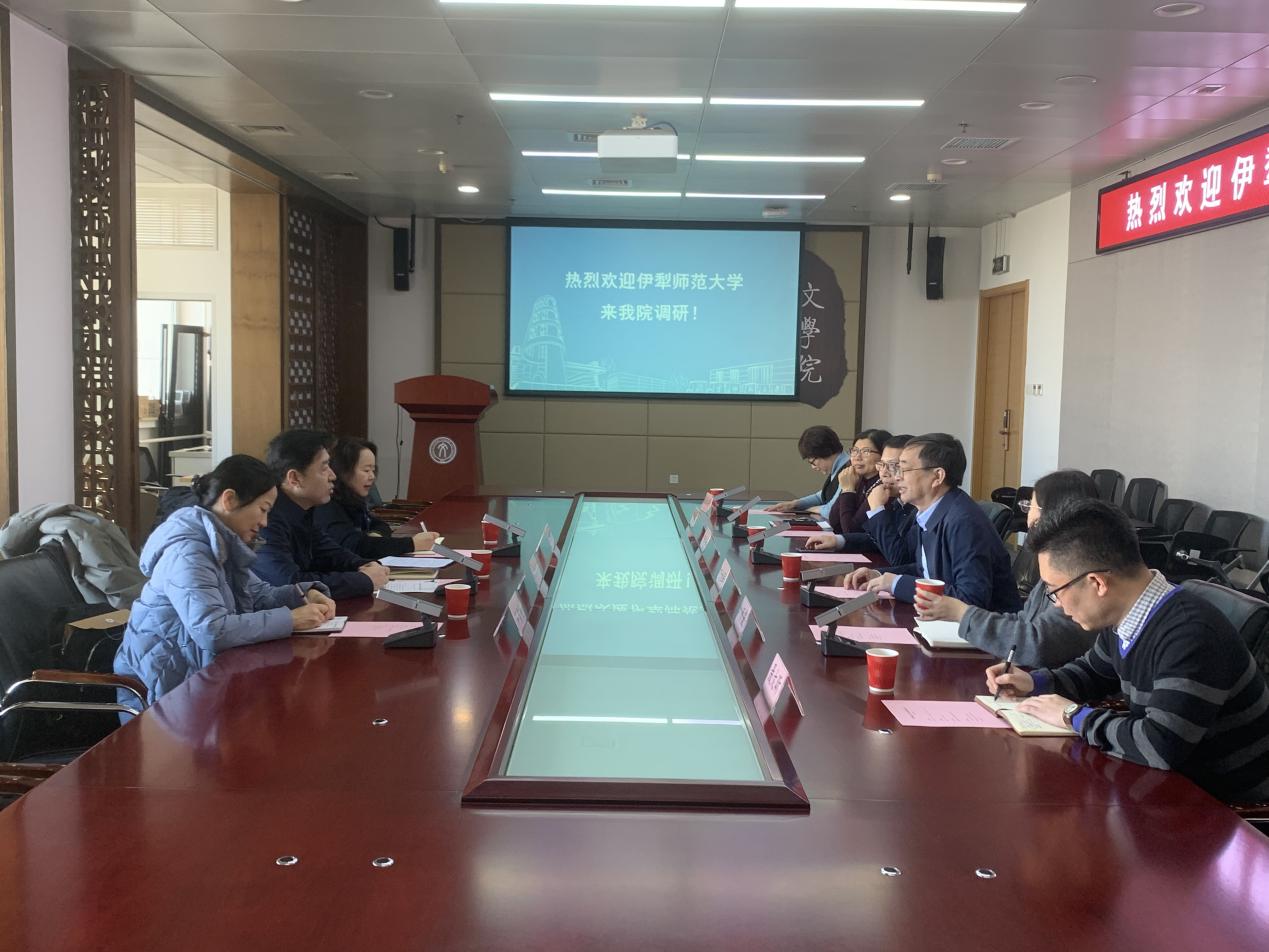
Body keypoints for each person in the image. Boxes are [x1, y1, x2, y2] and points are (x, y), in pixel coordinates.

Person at [988, 498, 1269, 803]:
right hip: (1162, 784)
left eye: (1055, 591)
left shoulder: (1191, 634)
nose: (1057, 605)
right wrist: (1034, 682)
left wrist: (1072, 715)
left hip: (1223, 803)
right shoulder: (1128, 613)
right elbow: (1093, 672)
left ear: (1097, 583)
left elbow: (1159, 746)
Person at [114, 455, 337, 705]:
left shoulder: (222, 544)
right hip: (161, 695)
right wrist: (291, 620)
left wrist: (303, 595)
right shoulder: (188, 552)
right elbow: (211, 630)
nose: (264, 522)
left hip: (199, 680)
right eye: (263, 509)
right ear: (229, 500)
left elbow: (259, 595)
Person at [915, 469, 1101, 665]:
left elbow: (1038, 644)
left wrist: (962, 613)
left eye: (1030, 506)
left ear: (1051, 514)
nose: (1029, 517)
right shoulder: (1057, 563)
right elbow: (1025, 620)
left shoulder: (1079, 573)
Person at [844, 433, 1020, 611]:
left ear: (937, 476)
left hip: (980, 626)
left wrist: (897, 584)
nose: (897, 477)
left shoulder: (963, 521)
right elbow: (926, 571)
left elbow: (970, 599)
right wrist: (879, 575)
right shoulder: (931, 511)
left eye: (903, 469)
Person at [254, 429, 391, 599]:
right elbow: (289, 583)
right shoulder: (267, 519)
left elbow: (330, 553)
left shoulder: (303, 509)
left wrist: (365, 565)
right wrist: (363, 580)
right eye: (324, 468)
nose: (333, 476)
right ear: (294, 478)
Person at [315, 437, 438, 559]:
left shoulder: (353, 501)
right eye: (366, 470)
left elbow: (380, 525)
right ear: (343, 471)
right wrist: (412, 544)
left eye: (373, 470)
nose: (372, 476)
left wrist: (375, 535)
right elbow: (354, 546)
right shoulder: (327, 504)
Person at [806, 430, 903, 554]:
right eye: (855, 451)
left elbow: (850, 531)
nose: (857, 457)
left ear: (882, 455)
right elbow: (835, 522)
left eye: (865, 451)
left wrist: (848, 490)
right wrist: (847, 488)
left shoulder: (885, 487)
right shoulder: (858, 479)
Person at [768, 425, 847, 514]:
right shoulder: (838, 468)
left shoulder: (848, 471)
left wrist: (809, 509)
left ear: (824, 452)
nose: (813, 467)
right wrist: (794, 504)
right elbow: (822, 496)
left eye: (812, 462)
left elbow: (832, 511)